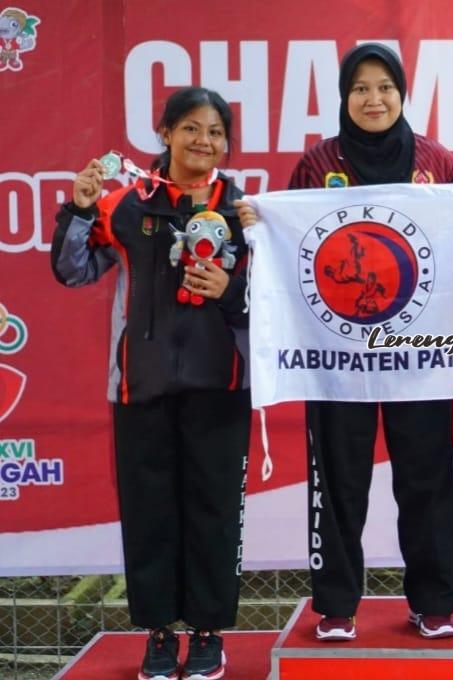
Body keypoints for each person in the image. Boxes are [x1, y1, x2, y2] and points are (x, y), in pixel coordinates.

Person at [237, 42, 453, 641]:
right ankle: (336, 605)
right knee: (336, 480)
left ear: (403, 93)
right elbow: (291, 247)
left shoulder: (435, 160)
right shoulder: (317, 162)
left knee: (427, 478)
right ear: (343, 97)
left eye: (385, 87)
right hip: (336, 356)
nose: (373, 98)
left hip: (420, 359)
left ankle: (433, 602)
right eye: (360, 88)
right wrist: (261, 227)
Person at [51, 87, 250, 680]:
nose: (203, 142)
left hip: (221, 388)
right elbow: (71, 269)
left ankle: (209, 635)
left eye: (215, 132)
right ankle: (161, 636)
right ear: (164, 133)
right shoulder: (125, 206)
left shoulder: (242, 212)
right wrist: (80, 208)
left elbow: (271, 305)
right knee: (150, 517)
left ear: (226, 145)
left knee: (214, 515)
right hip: (141, 388)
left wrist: (231, 291)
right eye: (191, 128)